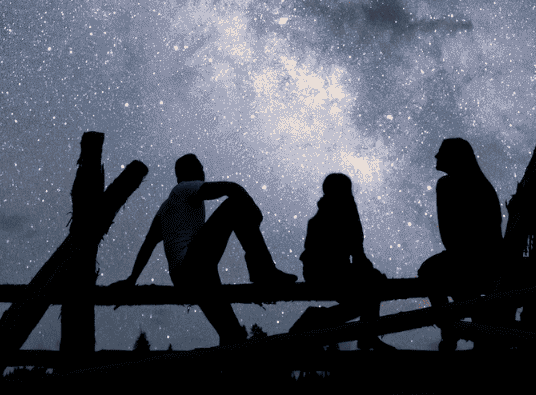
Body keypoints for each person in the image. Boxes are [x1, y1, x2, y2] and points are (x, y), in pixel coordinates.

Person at [115, 153, 297, 346]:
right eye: (200, 168)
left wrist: (132, 279)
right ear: (190, 173)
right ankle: (263, 271)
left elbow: (148, 244)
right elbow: (231, 188)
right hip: (195, 267)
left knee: (232, 334)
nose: (203, 171)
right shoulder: (184, 189)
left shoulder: (166, 207)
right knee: (234, 204)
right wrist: (253, 209)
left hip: (189, 277)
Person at [415, 137, 503, 350]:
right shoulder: (481, 183)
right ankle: (469, 327)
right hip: (488, 257)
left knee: (429, 271)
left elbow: (450, 235)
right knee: (450, 277)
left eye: (441, 152)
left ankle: (450, 330)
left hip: (475, 257)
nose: (436, 156)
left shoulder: (448, 184)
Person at [296, 173, 393, 350]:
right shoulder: (341, 212)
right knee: (372, 288)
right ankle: (363, 334)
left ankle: (320, 318)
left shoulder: (327, 212)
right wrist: (368, 271)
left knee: (368, 291)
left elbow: (355, 253)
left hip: (324, 271)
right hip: (328, 272)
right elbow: (356, 253)